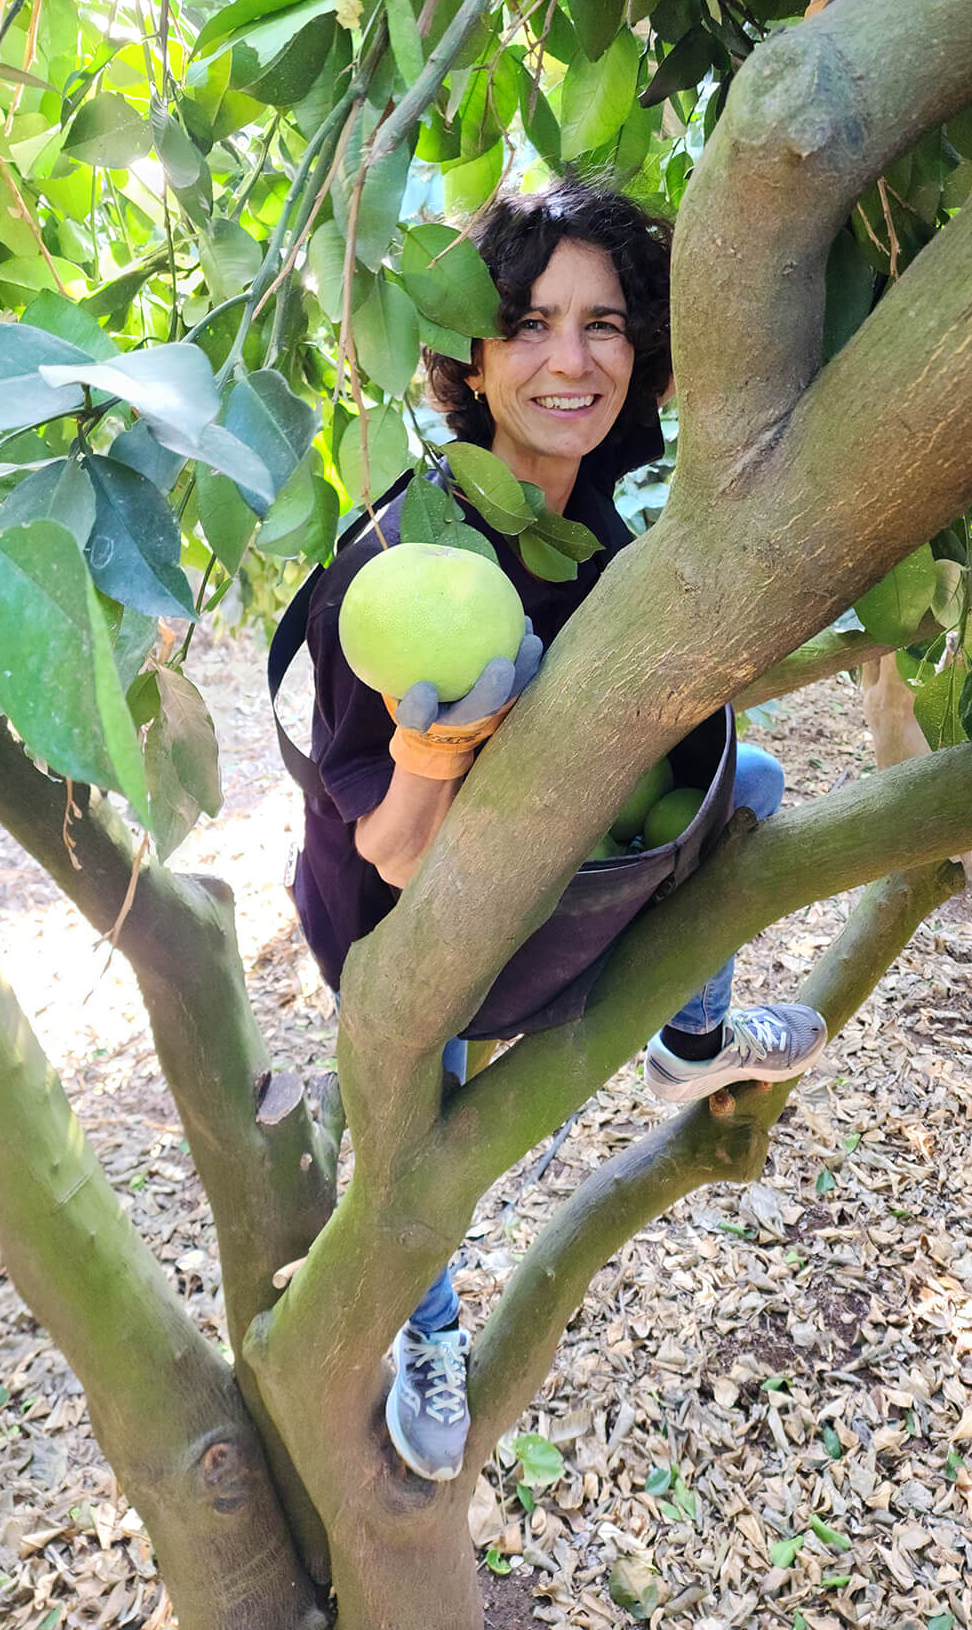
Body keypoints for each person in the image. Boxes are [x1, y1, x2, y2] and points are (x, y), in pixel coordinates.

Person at [289, 178, 827, 1485]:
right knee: (411, 1134)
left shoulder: (615, 521)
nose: (569, 360)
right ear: (471, 359)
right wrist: (433, 752)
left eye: (604, 324)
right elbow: (396, 855)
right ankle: (427, 1331)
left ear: (640, 351)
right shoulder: (397, 557)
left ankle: (689, 1036)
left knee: (746, 782)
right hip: (407, 917)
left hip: (562, 881)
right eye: (529, 324)